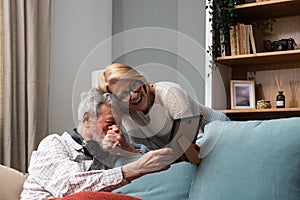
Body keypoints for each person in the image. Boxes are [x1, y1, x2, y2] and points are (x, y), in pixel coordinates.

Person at [21, 87, 175, 199]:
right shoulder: (54, 144)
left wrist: (125, 149)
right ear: (87, 119)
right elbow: (70, 188)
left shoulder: (107, 153)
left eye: (119, 124)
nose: (115, 129)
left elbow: (146, 177)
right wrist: (133, 169)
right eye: (110, 122)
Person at [98, 63, 230, 150]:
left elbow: (194, 138)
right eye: (124, 95)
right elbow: (146, 153)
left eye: (134, 85)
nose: (133, 95)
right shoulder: (128, 115)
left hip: (217, 130)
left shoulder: (170, 93)